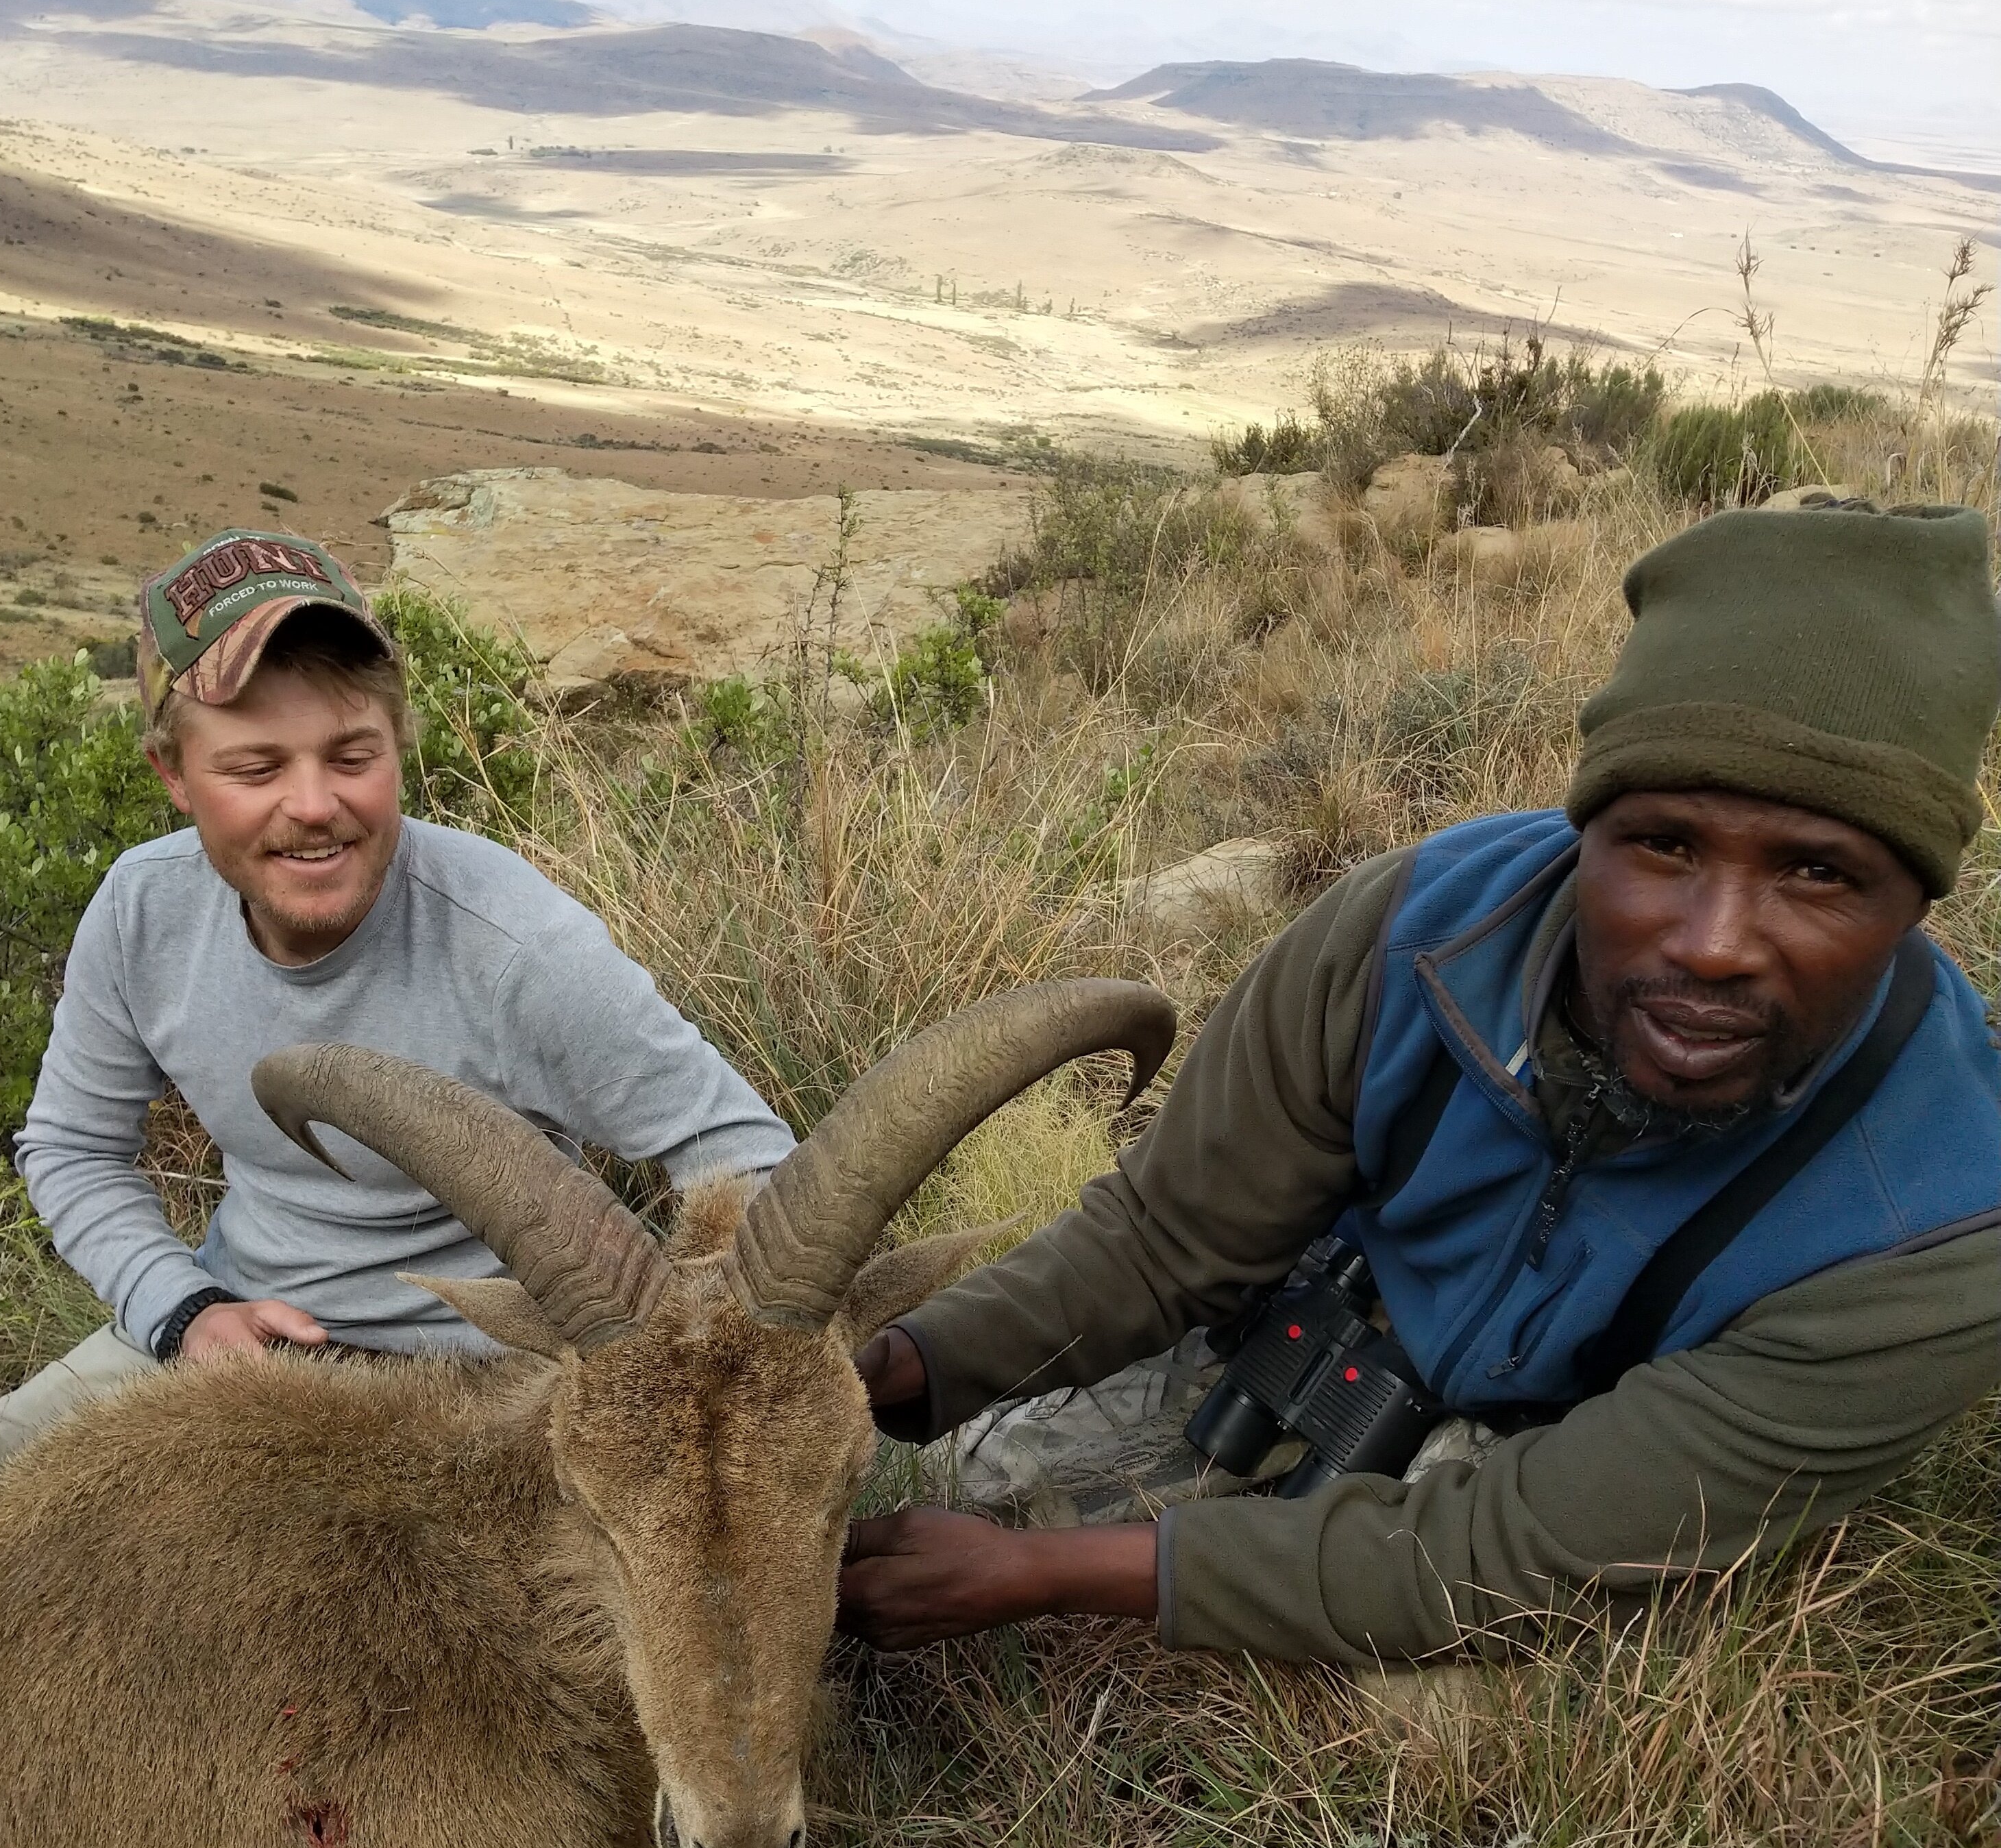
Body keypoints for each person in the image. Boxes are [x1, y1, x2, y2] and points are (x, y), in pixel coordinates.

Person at [839, 497, 2001, 1664]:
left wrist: (1041, 1577)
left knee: (1419, 1700)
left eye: (1817, 873)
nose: (1712, 942)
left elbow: (1514, 1551)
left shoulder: (1940, 1233)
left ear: (1914, 905)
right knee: (954, 1468)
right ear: (1587, 827)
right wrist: (886, 1368)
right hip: (1322, 1336)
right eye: (1666, 845)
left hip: (1578, 1466)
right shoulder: (1408, 932)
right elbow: (1164, 1241)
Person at [0, 528, 794, 1483]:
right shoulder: (143, 911)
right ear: (174, 776)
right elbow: (72, 1148)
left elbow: (751, 1163)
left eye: (351, 756)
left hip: (495, 1381)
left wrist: (676, 1363)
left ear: (399, 748)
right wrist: (184, 1314)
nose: (313, 806)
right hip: (242, 1336)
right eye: (256, 769)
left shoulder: (515, 945)